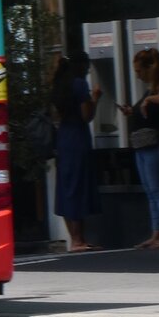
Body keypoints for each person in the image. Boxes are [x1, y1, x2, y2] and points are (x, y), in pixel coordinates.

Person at [118, 47, 159, 249]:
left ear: (150, 68)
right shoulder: (150, 89)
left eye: (139, 71)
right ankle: (157, 232)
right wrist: (131, 111)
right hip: (143, 145)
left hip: (155, 143)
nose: (138, 75)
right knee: (151, 191)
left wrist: (150, 99)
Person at [50, 51, 102, 252]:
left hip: (63, 137)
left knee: (66, 187)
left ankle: (74, 239)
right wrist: (95, 99)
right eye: (87, 65)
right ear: (81, 66)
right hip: (78, 138)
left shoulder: (59, 85)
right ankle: (79, 240)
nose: (88, 69)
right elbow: (86, 115)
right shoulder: (79, 84)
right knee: (78, 187)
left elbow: (55, 115)